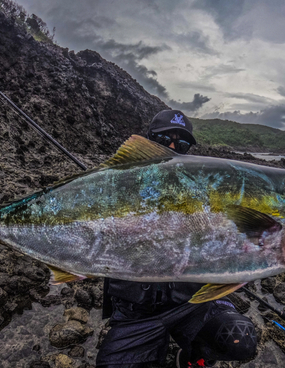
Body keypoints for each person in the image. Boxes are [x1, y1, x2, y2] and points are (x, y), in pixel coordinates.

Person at [97, 110, 257, 368]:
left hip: (190, 303)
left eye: (181, 144)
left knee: (239, 337)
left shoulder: (206, 192)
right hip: (135, 313)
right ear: (148, 141)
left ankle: (193, 356)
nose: (172, 147)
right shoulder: (117, 186)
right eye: (163, 141)